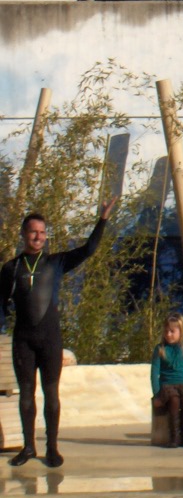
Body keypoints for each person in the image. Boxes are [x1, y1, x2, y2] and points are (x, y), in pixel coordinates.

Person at [0, 198, 115, 467]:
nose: (38, 236)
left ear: (46, 235)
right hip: (24, 341)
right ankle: (29, 447)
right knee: (26, 394)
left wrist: (103, 220)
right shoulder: (10, 268)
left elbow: (89, 249)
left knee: (52, 394)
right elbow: (1, 304)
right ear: (23, 234)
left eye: (42, 232)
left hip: (50, 338)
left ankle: (52, 447)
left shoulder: (56, 262)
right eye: (33, 232)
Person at [150, 313, 183, 449]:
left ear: (181, 331)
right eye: (166, 331)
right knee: (173, 401)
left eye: (172, 331)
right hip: (167, 387)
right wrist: (156, 394)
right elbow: (154, 373)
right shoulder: (160, 349)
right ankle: (174, 437)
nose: (168, 334)